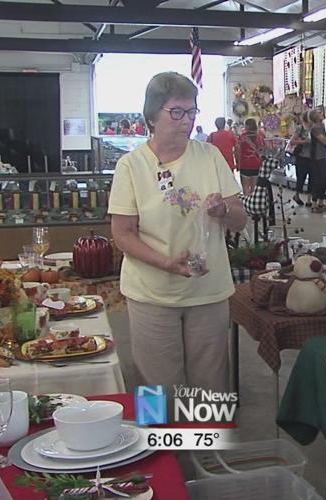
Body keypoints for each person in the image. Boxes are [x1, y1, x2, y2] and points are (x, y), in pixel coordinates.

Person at [108, 72, 247, 393]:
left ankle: (207, 442)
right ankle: (161, 443)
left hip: (207, 292)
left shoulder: (210, 156)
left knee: (210, 387)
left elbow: (241, 220)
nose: (186, 121)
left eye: (192, 111)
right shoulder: (131, 166)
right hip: (151, 294)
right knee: (157, 388)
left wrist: (224, 211)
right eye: (177, 112)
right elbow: (123, 234)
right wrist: (166, 263)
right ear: (152, 116)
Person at [308, 110, 326, 213]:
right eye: (319, 113)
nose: (322, 114)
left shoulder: (321, 126)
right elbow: (324, 140)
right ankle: (314, 203)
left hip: (324, 155)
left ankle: (320, 202)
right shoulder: (315, 128)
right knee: (319, 179)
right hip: (318, 156)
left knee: (325, 179)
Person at [290, 111, 313, 206]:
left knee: (312, 178)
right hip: (301, 156)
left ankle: (309, 199)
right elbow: (292, 141)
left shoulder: (314, 129)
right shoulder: (300, 129)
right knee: (301, 177)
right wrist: (304, 141)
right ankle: (297, 195)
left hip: (312, 156)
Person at [238, 118, 266, 194]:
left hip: (245, 164)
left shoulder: (242, 137)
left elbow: (238, 151)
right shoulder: (261, 136)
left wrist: (238, 163)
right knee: (254, 187)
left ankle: (247, 203)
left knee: (245, 187)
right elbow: (263, 149)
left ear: (247, 126)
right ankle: (253, 203)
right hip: (256, 164)